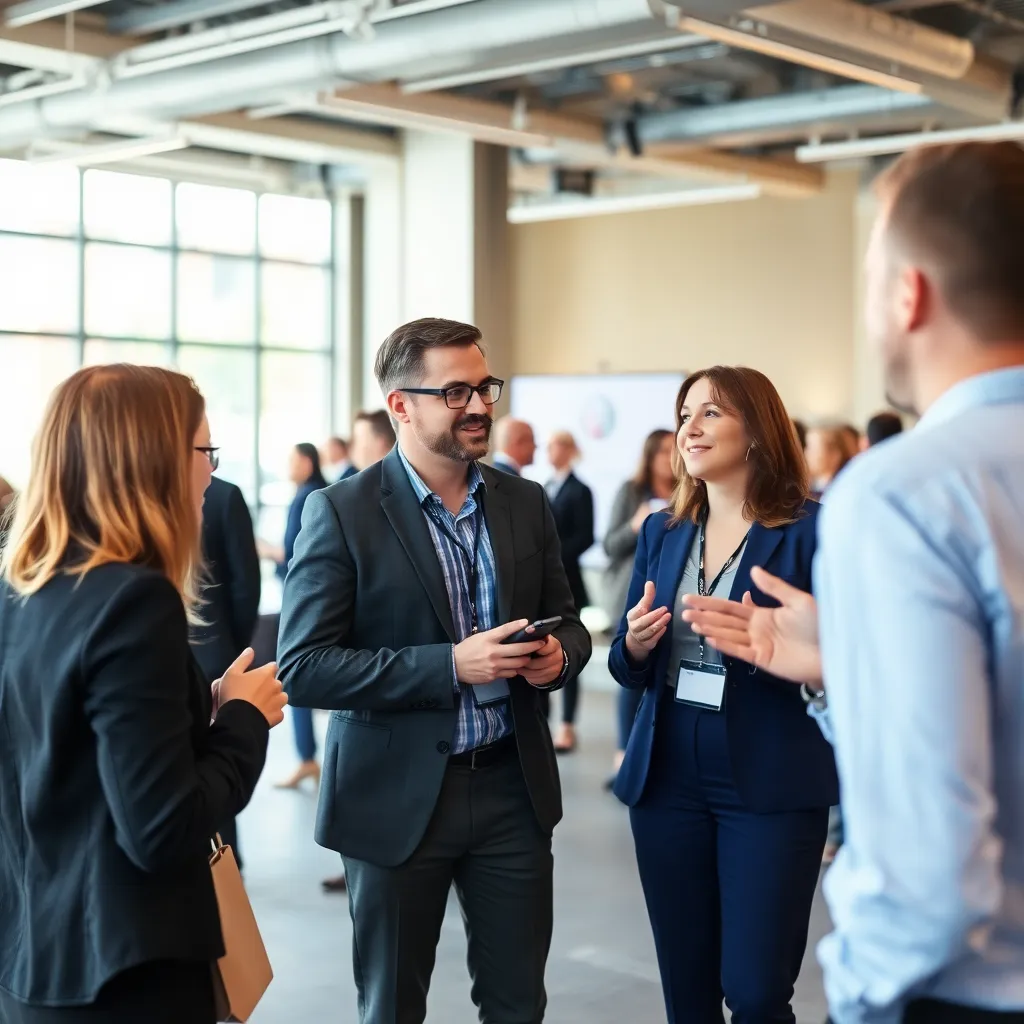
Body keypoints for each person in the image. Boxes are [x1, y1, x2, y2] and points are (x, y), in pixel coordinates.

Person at [682, 141, 1024, 1024]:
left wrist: (863, 997)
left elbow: (931, 861)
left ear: (908, 294)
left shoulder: (908, 491)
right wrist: (845, 671)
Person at [277, 317, 592, 1024]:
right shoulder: (342, 512)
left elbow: (568, 621)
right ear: (401, 405)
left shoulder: (524, 502)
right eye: (455, 392)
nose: (478, 405)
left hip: (512, 788)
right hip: (392, 797)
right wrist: (450, 665)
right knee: (392, 1006)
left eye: (484, 387)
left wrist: (557, 659)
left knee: (518, 1005)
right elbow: (304, 667)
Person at [0, 364, 286, 1024]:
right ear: (152, 459)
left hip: (35, 959)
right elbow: (164, 829)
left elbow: (63, 755)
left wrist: (187, 720)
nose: (211, 472)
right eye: (205, 450)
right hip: (124, 974)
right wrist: (243, 718)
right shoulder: (133, 601)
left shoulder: (22, 588)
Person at [608, 365, 837, 1024]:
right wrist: (636, 646)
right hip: (667, 774)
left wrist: (816, 665)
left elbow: (855, 661)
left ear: (758, 430)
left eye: (711, 412)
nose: (690, 428)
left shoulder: (815, 531)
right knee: (687, 991)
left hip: (771, 774)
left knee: (758, 992)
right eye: (685, 414)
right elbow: (625, 663)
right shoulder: (663, 530)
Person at [192, 473, 262, 869]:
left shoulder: (222, 495)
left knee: (211, 767)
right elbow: (245, 583)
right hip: (213, 650)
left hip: (213, 656)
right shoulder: (224, 495)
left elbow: (245, 583)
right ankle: (224, 867)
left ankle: (225, 868)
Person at [602, 428, 675, 789]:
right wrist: (637, 525)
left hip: (671, 596)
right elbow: (610, 545)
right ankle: (623, 757)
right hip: (632, 594)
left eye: (673, 449)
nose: (670, 456)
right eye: (663, 450)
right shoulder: (632, 491)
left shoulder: (690, 491)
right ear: (650, 455)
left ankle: (657, 755)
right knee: (632, 671)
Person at [259, 442, 327, 790]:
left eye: (292, 459)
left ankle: (307, 759)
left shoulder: (307, 497)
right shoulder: (318, 492)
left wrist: (265, 550)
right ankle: (308, 758)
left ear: (306, 462)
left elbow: (293, 553)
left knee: (295, 672)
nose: (288, 466)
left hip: (300, 597)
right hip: (310, 596)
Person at [543, 430, 595, 753]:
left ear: (568, 450)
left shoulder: (580, 490)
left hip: (569, 580)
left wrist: (554, 557)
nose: (549, 452)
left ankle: (567, 725)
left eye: (554, 446)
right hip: (543, 581)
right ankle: (545, 723)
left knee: (568, 649)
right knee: (541, 651)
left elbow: (586, 536)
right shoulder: (545, 485)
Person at [804, 423, 855, 498]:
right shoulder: (814, 487)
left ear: (835, 455)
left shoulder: (843, 492)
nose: (806, 453)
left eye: (813, 448)